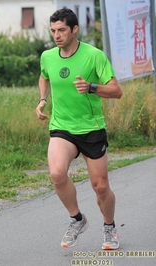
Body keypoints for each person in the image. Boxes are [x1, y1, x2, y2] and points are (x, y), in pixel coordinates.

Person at [36, 8, 123, 250]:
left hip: (91, 128)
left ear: (75, 29)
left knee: (100, 186)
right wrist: (43, 99)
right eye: (53, 31)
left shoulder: (94, 56)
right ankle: (77, 219)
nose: (57, 35)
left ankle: (109, 227)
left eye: (62, 30)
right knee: (56, 173)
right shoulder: (48, 56)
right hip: (62, 126)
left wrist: (92, 87)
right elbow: (44, 76)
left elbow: (116, 90)